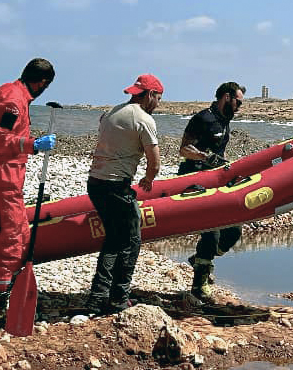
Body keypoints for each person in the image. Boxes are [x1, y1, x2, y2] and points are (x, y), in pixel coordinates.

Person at [0, 58, 57, 330]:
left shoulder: (12, 92)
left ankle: (7, 291)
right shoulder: (14, 100)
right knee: (10, 243)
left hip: (7, 178)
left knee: (22, 236)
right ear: (42, 82)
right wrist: (32, 145)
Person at [83, 73, 163, 315]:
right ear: (149, 95)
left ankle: (98, 298)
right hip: (116, 186)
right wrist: (148, 180)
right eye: (158, 98)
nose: (158, 103)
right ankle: (118, 299)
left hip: (95, 183)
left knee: (114, 239)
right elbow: (155, 162)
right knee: (131, 241)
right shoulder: (143, 120)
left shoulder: (111, 112)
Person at [178, 81, 246, 301]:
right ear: (226, 97)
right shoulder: (203, 118)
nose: (239, 107)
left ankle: (200, 260)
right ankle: (199, 286)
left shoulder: (225, 121)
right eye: (238, 102)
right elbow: (184, 149)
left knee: (234, 230)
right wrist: (205, 157)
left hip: (217, 180)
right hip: (195, 179)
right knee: (212, 230)